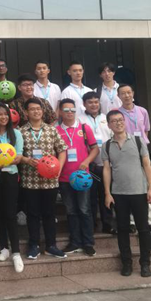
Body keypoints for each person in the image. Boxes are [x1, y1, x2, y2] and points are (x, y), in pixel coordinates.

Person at [103, 110, 151, 278]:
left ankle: (145, 263)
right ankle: (126, 263)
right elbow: (106, 170)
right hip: (119, 193)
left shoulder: (138, 141)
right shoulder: (106, 145)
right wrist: (107, 193)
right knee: (123, 229)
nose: (118, 123)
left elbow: (147, 165)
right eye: (114, 121)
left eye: (120, 120)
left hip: (139, 191)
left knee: (143, 228)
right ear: (109, 125)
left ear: (124, 122)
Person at [19, 98, 68, 260]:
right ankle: (34, 245)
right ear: (26, 112)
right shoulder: (21, 132)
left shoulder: (51, 130)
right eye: (32, 109)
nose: (36, 111)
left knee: (49, 213)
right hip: (29, 180)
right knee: (32, 214)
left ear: (42, 111)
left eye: (38, 109)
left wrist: (59, 168)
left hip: (50, 181)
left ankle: (51, 245)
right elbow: (16, 155)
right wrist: (27, 160)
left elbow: (62, 150)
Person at [56, 98, 98, 257]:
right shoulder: (56, 131)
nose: (69, 113)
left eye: (72, 110)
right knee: (71, 211)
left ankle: (88, 243)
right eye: (66, 110)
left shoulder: (84, 128)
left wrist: (86, 161)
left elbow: (95, 149)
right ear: (60, 112)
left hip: (82, 178)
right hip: (64, 178)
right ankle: (74, 242)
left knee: (85, 210)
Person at [0, 104, 24, 273]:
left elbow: (19, 155)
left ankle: (16, 252)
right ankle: (3, 248)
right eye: (0, 114)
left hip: (10, 176)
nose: (3, 117)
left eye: (5, 114)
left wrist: (10, 160)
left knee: (10, 213)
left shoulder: (16, 134)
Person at [116, 84, 151, 233]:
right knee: (128, 184)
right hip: (126, 151)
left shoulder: (142, 111)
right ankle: (131, 221)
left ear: (133, 93)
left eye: (129, 92)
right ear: (118, 96)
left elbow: (146, 130)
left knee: (144, 183)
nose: (126, 96)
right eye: (123, 93)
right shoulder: (117, 113)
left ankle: (148, 220)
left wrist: (141, 145)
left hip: (141, 150)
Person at [79, 93, 115, 234]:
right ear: (84, 104)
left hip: (106, 164)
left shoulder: (107, 118)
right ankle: (92, 224)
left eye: (96, 102)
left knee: (107, 194)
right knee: (91, 197)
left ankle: (108, 224)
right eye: (90, 102)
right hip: (89, 165)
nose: (94, 105)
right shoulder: (79, 120)